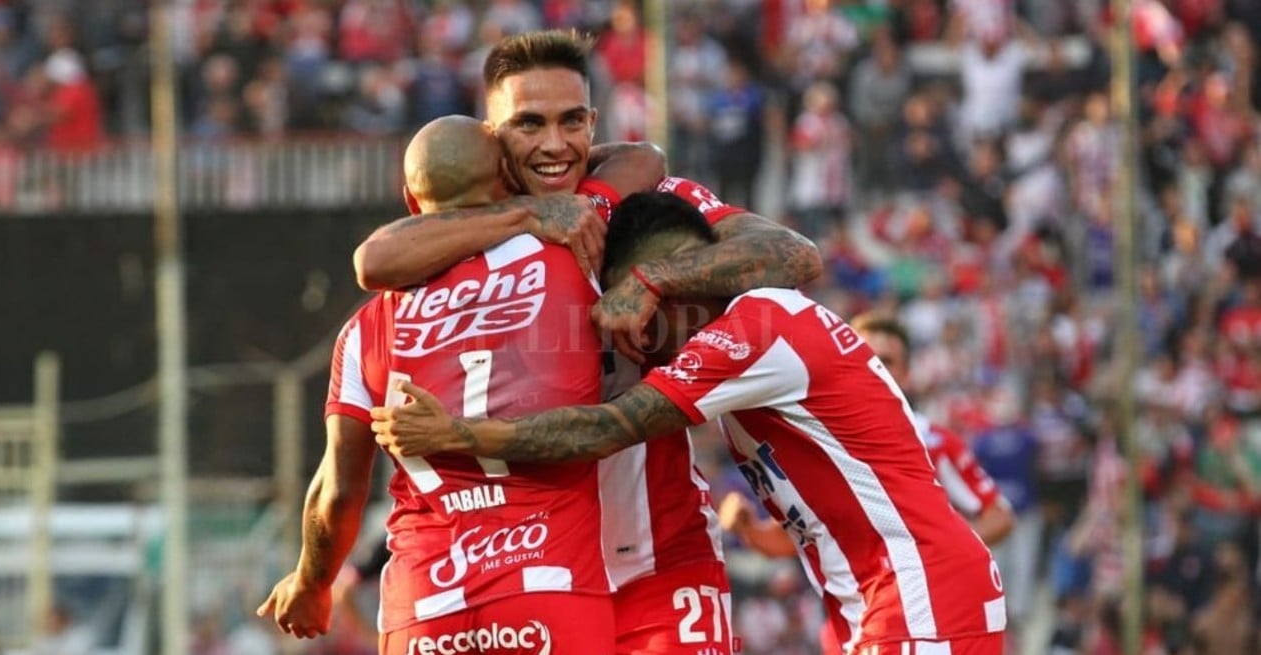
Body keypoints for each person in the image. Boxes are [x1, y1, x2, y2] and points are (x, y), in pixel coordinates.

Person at [352, 29, 822, 655]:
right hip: (525, 576)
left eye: (572, 121)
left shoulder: (646, 208)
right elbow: (375, 259)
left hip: (662, 565)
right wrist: (526, 215)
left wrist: (654, 278)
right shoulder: (465, 234)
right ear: (491, 139)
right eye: (529, 124)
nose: (555, 145)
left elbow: (792, 254)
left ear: (593, 124)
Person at [376, 191, 1008, 655]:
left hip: (919, 596)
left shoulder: (758, 327)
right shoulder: (761, 336)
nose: (637, 344)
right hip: (881, 599)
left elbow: (607, 429)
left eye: (636, 316)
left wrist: (458, 434)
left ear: (671, 290)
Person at [257, 115, 662, 654]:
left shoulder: (363, 330)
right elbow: (643, 158)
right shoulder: (573, 254)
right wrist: (531, 183)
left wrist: (311, 582)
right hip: (548, 583)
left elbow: (339, 490)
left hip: (423, 606)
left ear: (411, 201)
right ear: (506, 177)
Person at [716, 314, 1016, 655]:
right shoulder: (823, 443)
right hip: (855, 614)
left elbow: (999, 516)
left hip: (928, 613)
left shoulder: (933, 440)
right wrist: (747, 528)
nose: (873, 367)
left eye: (886, 360)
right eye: (864, 356)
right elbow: (804, 535)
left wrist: (925, 554)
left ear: (907, 374)